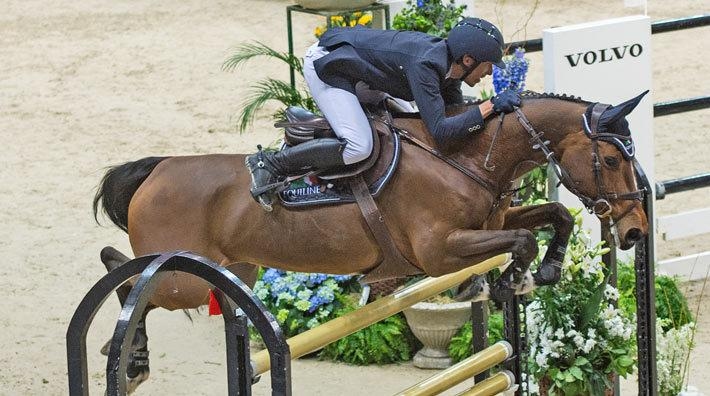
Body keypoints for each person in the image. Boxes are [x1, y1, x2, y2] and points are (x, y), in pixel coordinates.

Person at [245, 17, 522, 211]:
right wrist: (491, 105)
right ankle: (271, 164)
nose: (489, 74)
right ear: (468, 60)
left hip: (366, 71)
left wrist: (488, 111)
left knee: (407, 129)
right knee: (358, 146)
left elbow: (452, 117)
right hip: (332, 66)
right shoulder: (426, 65)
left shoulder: (450, 69)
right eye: (488, 66)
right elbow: (440, 130)